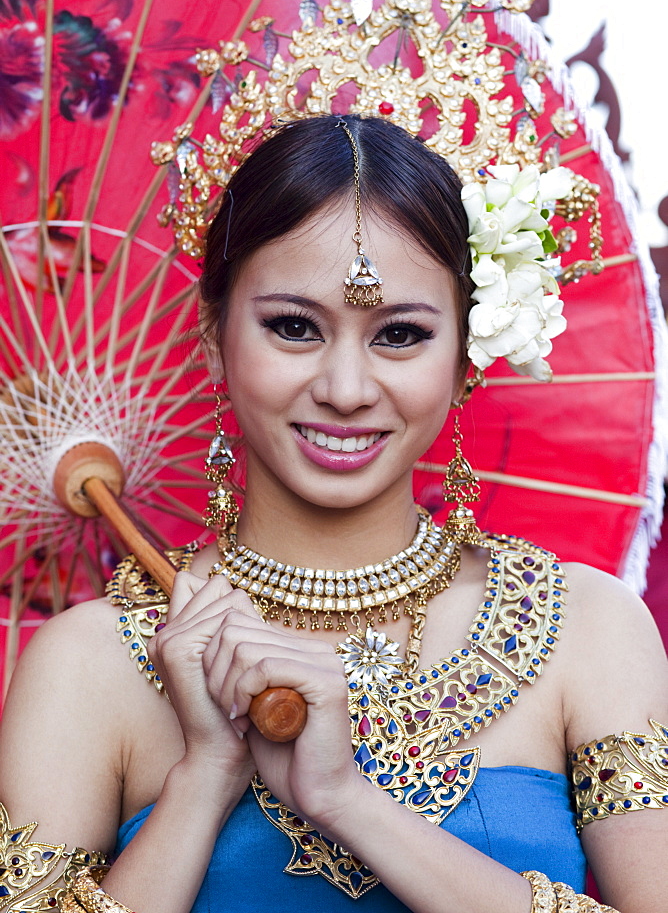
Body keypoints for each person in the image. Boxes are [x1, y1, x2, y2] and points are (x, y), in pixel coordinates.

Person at [0, 112, 667, 913]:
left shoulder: (587, 631)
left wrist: (347, 799)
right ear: (215, 336)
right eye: (293, 327)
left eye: (400, 334)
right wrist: (204, 776)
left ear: (463, 360)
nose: (347, 390)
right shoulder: (92, 664)